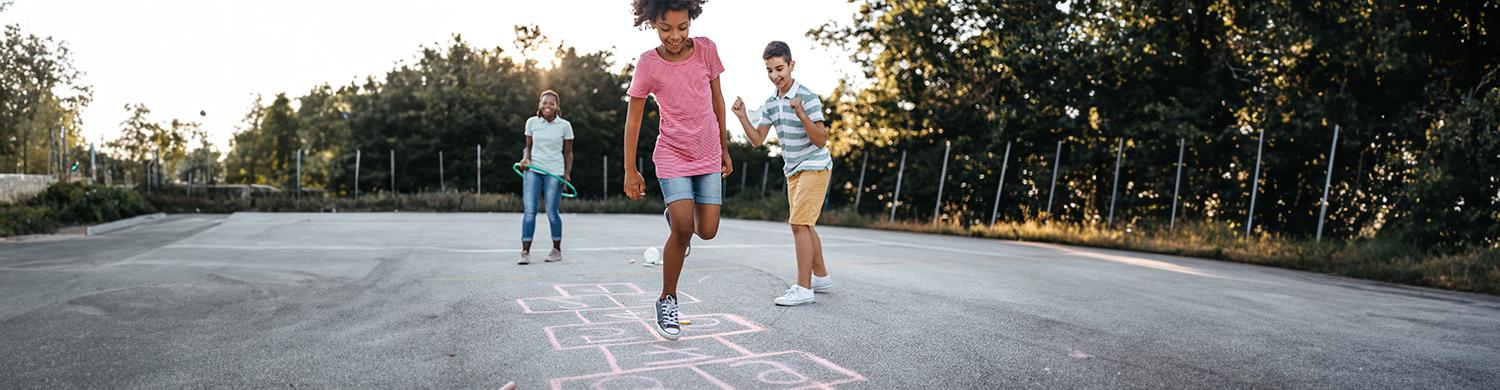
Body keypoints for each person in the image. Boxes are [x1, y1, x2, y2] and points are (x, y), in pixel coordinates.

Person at [622, 0, 732, 340]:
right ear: (652, 22)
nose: (675, 36)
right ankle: (667, 299)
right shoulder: (648, 64)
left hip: (708, 152)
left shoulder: (706, 50)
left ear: (691, 20)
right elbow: (635, 118)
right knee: (684, 229)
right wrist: (630, 169)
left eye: (682, 28)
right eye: (666, 28)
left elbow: (718, 101)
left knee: (708, 230)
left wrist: (724, 147)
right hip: (672, 154)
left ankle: (678, 221)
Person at [732, 41, 834, 306]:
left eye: (779, 69)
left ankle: (804, 288)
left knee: (798, 224)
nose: (775, 75)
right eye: (769, 70)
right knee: (805, 224)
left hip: (815, 165)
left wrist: (802, 114)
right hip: (793, 170)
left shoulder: (808, 97)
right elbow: (758, 140)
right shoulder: (770, 103)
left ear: (791, 65)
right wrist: (743, 117)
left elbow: (821, 139)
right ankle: (820, 276)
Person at [517, 90, 573, 265]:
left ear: (557, 106)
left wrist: (567, 175)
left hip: (555, 171)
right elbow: (528, 147)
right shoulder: (532, 122)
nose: (548, 106)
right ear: (540, 104)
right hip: (533, 169)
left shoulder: (564, 125)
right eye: (545, 103)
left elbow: (569, 153)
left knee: (551, 212)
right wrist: (525, 159)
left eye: (552, 103)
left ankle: (556, 250)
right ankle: (525, 252)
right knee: (530, 212)